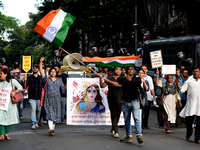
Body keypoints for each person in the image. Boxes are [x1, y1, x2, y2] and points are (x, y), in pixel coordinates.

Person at [39, 58, 66, 136]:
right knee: (50, 114)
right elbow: (41, 71)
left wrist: (68, 84)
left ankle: (52, 129)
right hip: (48, 100)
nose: (53, 73)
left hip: (57, 100)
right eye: (51, 71)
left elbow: (63, 90)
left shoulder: (59, 80)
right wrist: (41, 62)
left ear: (56, 73)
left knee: (55, 115)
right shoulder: (47, 79)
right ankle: (50, 129)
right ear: (49, 73)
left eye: (54, 71)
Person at [118, 66, 143, 144]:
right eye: (129, 69)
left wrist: (131, 80)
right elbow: (119, 82)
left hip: (135, 101)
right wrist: (124, 77)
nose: (130, 70)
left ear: (134, 71)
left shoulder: (137, 78)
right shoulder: (124, 78)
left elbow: (137, 84)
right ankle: (128, 136)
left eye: (132, 69)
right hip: (125, 102)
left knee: (136, 118)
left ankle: (139, 134)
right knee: (127, 120)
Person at [177, 66, 200, 144]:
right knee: (189, 122)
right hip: (191, 105)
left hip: (199, 105)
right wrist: (178, 86)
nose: (195, 73)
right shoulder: (189, 80)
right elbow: (183, 90)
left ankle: (197, 138)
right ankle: (189, 133)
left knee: (199, 123)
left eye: (197, 71)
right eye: (194, 71)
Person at [99, 67, 123, 138]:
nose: (118, 71)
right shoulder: (109, 77)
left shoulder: (123, 78)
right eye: (117, 69)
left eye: (119, 70)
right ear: (114, 71)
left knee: (118, 115)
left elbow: (118, 85)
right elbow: (102, 86)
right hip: (111, 99)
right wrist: (100, 78)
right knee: (113, 115)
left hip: (120, 99)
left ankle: (113, 128)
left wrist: (109, 81)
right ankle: (116, 131)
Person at [0, 67, 23, 140]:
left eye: (1, 73)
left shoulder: (12, 81)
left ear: (6, 74)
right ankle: (1, 135)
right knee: (0, 118)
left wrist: (15, 92)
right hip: (1, 104)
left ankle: (6, 134)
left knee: (9, 118)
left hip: (10, 104)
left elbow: (20, 87)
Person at [24, 65, 45, 130]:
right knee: (33, 110)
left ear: (38, 70)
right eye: (34, 68)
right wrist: (25, 80)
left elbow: (44, 86)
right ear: (32, 70)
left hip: (39, 97)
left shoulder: (41, 78)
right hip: (32, 97)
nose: (35, 69)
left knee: (38, 110)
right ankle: (33, 123)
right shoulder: (29, 78)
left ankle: (36, 122)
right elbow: (25, 87)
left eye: (36, 68)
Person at [141, 64, 156, 129]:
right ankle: (141, 125)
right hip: (141, 97)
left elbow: (152, 88)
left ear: (147, 70)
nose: (143, 70)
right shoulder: (138, 77)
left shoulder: (149, 78)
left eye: (145, 69)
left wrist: (154, 97)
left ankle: (146, 124)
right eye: (142, 68)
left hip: (148, 97)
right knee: (141, 112)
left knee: (146, 112)